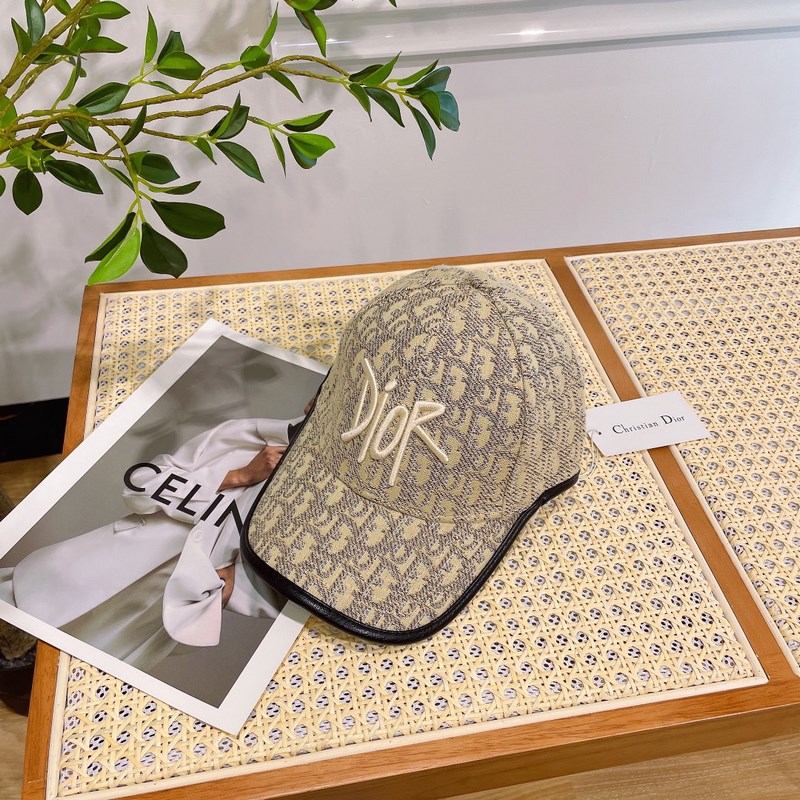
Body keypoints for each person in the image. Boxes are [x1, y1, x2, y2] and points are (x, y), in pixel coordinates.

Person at [0, 416, 302, 672]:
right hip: (113, 558)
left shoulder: (314, 509)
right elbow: (141, 485)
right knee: (19, 610)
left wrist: (231, 588)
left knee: (67, 668)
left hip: (161, 606)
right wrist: (237, 476)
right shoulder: (245, 436)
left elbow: (282, 593)